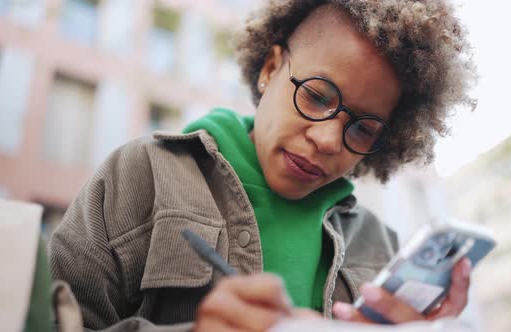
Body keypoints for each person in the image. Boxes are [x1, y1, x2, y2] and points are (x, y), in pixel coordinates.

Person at [49, 1, 477, 331]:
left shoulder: (379, 246)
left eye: (363, 128)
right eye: (316, 95)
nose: (327, 140)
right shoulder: (142, 174)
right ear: (270, 70)